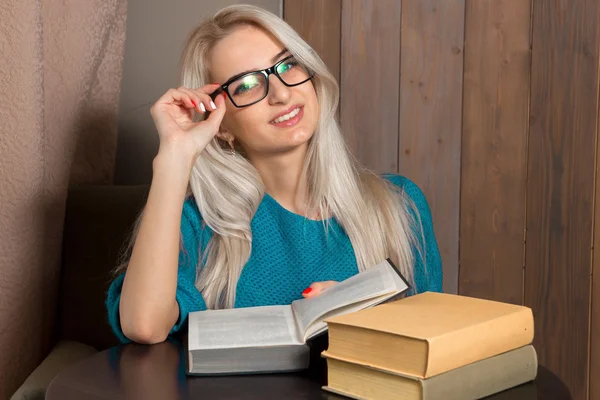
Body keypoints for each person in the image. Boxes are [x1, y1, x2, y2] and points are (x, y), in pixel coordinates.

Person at [106, 4, 443, 345]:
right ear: (220, 125)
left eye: (288, 64)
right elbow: (143, 325)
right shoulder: (199, 224)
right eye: (247, 85)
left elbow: (438, 348)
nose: (281, 94)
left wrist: (372, 321)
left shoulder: (399, 206)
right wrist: (173, 159)